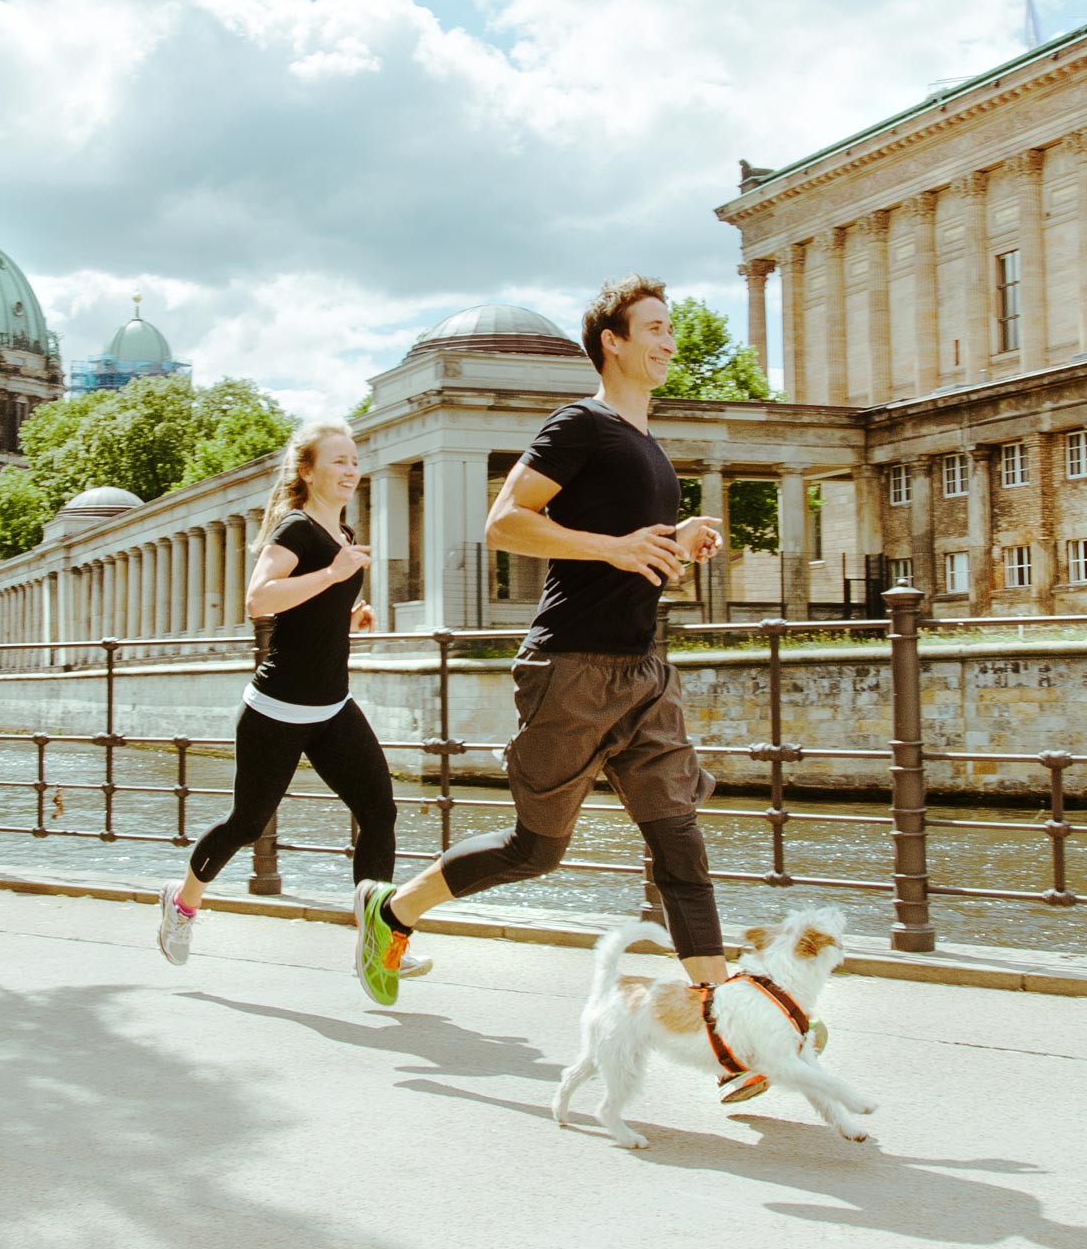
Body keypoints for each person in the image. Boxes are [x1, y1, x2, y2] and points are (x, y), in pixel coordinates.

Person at [352, 278, 764, 1097]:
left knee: (679, 843)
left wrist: (683, 537)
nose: (669, 341)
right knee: (535, 850)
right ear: (611, 341)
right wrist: (611, 550)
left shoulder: (649, 441)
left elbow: (625, 536)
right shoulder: (580, 424)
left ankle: (726, 1036)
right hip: (569, 667)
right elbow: (505, 522)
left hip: (642, 669)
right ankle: (391, 913)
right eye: (654, 328)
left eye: (670, 329)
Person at [155, 422, 428, 979]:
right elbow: (259, 600)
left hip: (331, 708)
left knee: (380, 812)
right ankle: (182, 904)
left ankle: (379, 940)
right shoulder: (297, 529)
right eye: (338, 462)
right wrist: (332, 575)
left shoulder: (344, 534)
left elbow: (312, 610)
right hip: (276, 711)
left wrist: (350, 613)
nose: (351, 470)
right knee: (247, 824)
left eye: (355, 461)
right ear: (307, 471)